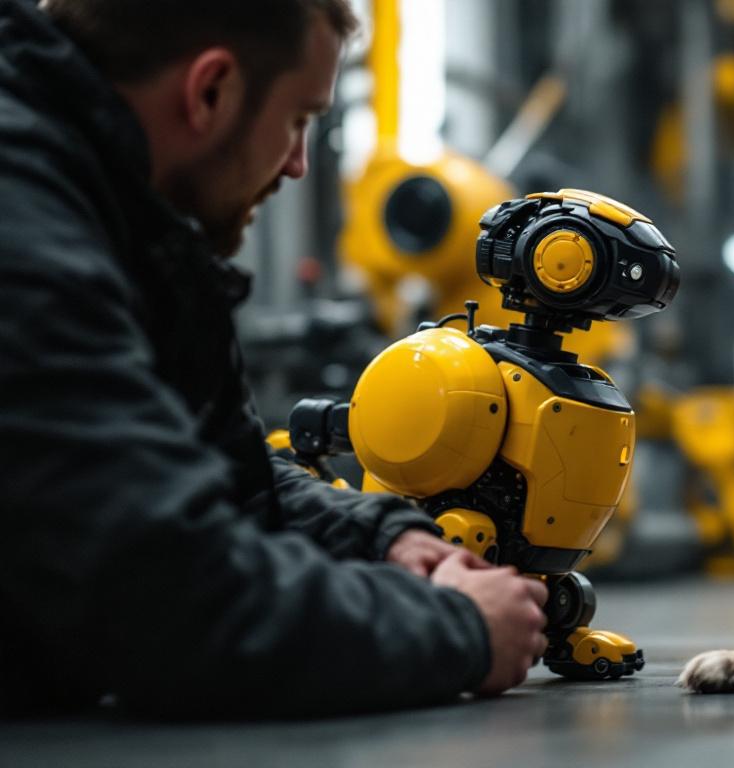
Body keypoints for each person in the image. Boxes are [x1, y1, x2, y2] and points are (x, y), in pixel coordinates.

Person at [0, 0, 548, 717]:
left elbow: (218, 478)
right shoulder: (26, 232)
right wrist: (461, 630)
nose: (296, 164)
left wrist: (379, 538)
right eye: (296, 119)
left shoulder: (123, 223)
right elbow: (173, 602)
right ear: (210, 92)